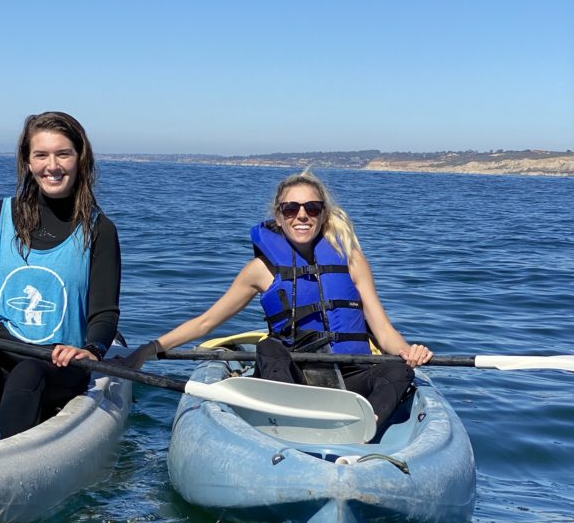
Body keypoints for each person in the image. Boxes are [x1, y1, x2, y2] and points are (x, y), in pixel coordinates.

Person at [124, 171, 431, 427]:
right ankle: (283, 423)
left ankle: (365, 425)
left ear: (322, 214)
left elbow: (383, 329)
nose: (302, 215)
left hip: (351, 378)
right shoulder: (260, 270)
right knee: (269, 346)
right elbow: (206, 322)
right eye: (291, 209)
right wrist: (149, 349)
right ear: (279, 216)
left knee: (397, 369)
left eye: (311, 208)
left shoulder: (352, 259)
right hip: (293, 378)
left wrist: (408, 351)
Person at [0, 110, 121, 439]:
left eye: (63, 153)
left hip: (56, 363)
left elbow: (104, 311)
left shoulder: (99, 230)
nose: (52, 165)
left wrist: (91, 350)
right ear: (28, 161)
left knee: (28, 374)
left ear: (81, 159)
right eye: (41, 155)